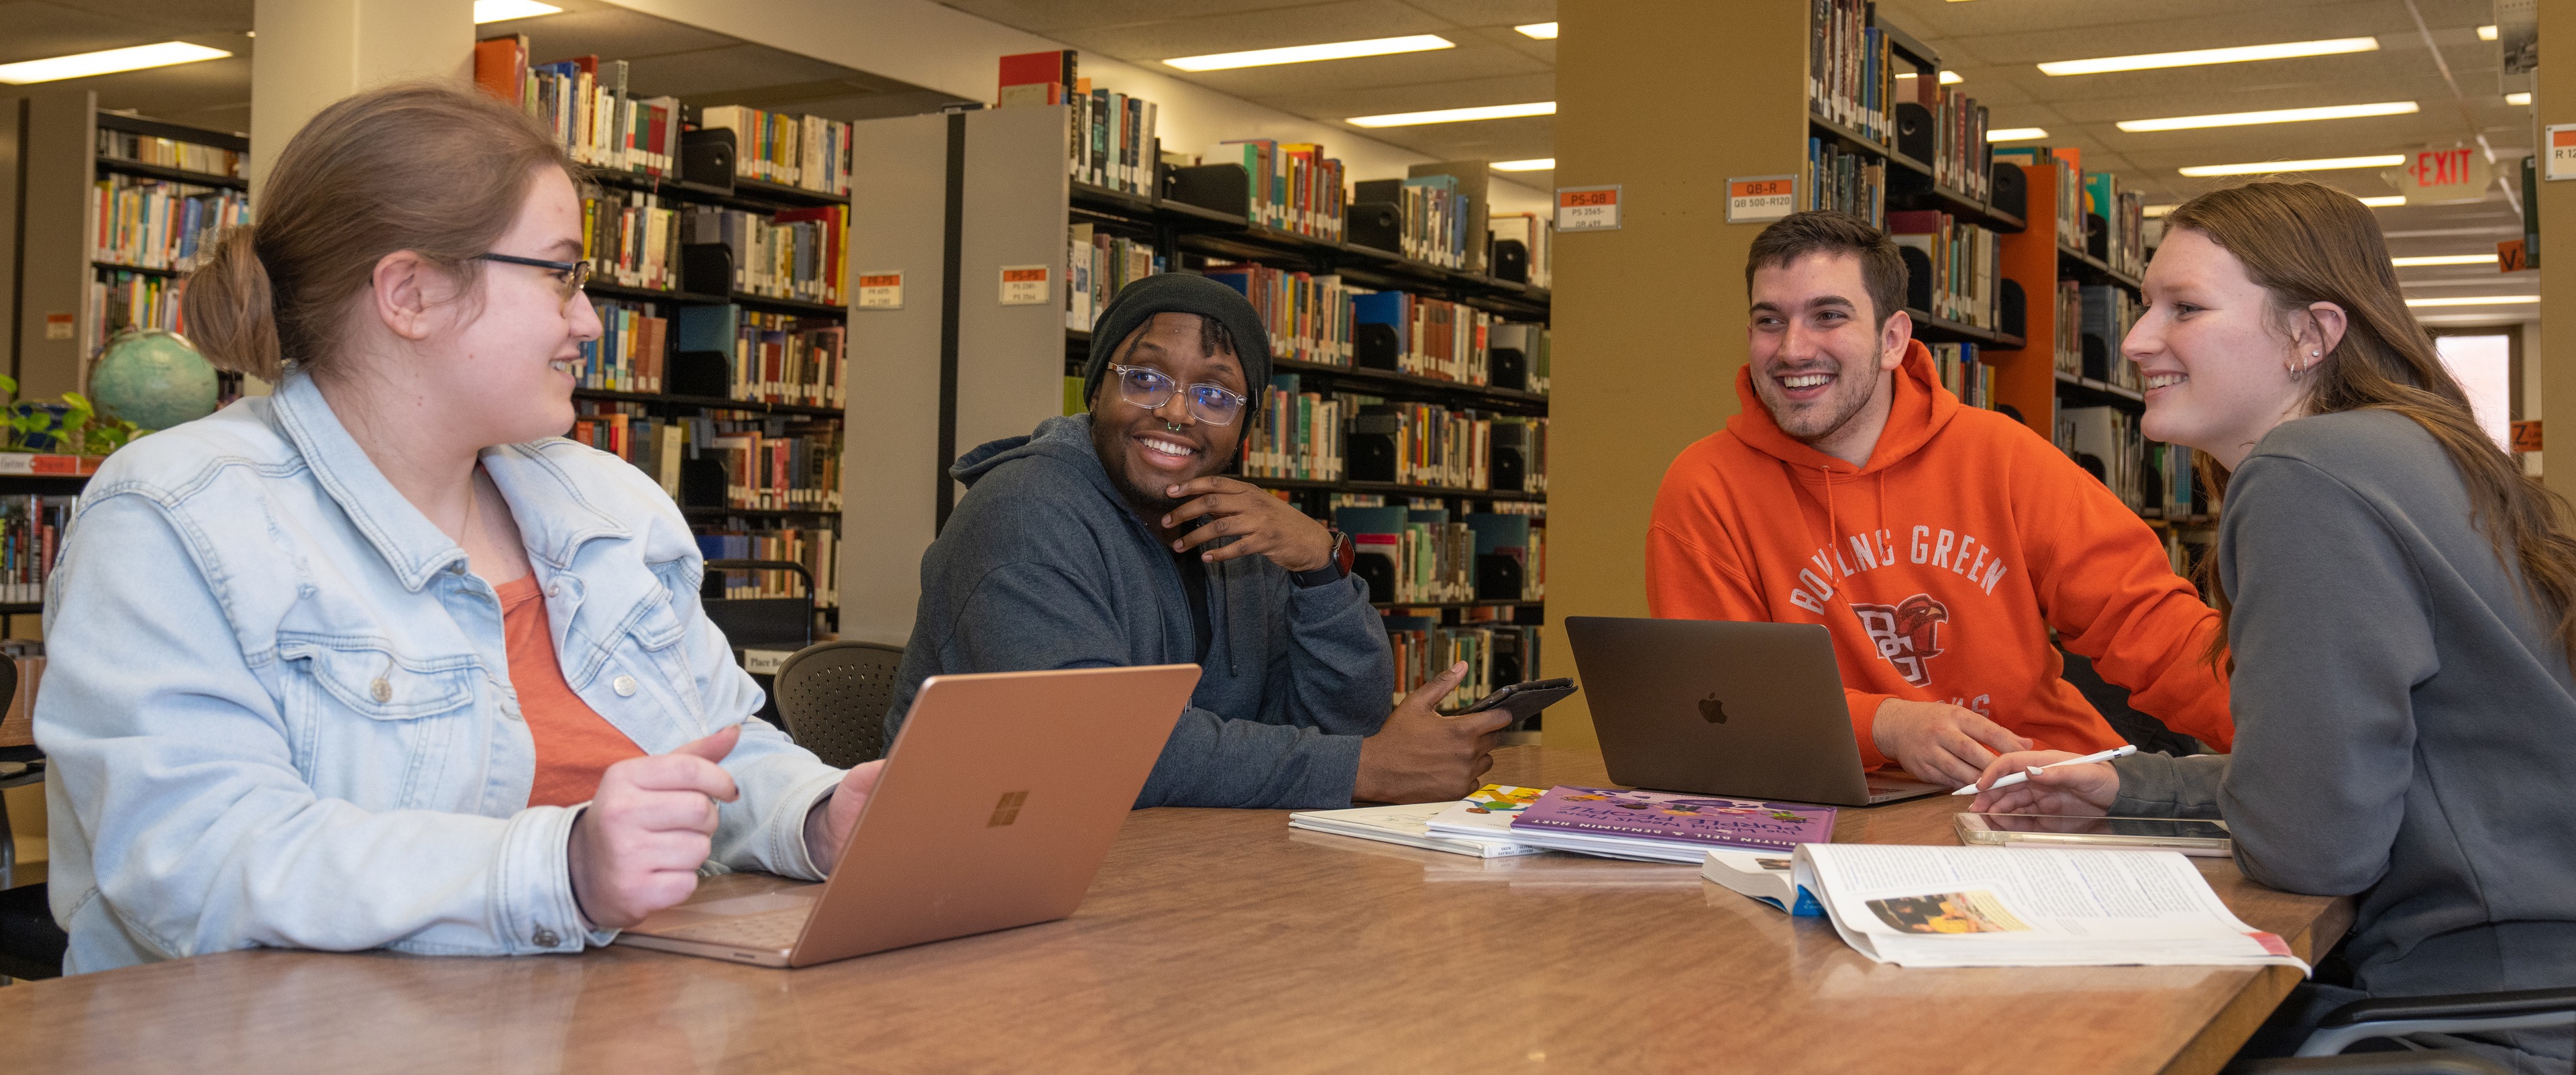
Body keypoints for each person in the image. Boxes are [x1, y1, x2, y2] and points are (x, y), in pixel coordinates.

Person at [36, 83, 877, 974]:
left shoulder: (611, 508)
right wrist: (561, 867)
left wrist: (822, 816)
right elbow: (198, 861)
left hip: (611, 1020)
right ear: (412, 292)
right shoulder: (175, 518)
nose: (588, 321)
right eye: (559, 275)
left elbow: (717, 746)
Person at [1970, 182, 2576, 1074]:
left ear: (2311, 334)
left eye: (2185, 308)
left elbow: (2313, 844)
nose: (2138, 340)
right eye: (2145, 307)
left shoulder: (2305, 474)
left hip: (2472, 1010)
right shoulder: (2420, 447)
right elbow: (2373, 774)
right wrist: (2131, 788)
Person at [1646, 211, 2235, 788]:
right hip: (1846, 807)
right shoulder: (1707, 486)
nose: (1793, 349)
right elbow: (1721, 699)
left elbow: (2151, 629)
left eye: (1828, 316)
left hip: (2040, 788)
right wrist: (1887, 725)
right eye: (1769, 321)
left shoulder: (2001, 456)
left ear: (1893, 339)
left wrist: (2293, 737)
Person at [886, 272, 1504, 808]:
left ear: (1245, 428)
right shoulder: (1023, 515)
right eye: (1147, 379)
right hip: (974, 876)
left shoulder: (1240, 530)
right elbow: (1091, 746)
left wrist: (1323, 567)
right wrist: (1365, 768)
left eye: (1214, 394)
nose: (1177, 411)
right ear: (1096, 389)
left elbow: (1339, 724)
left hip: (1166, 862)